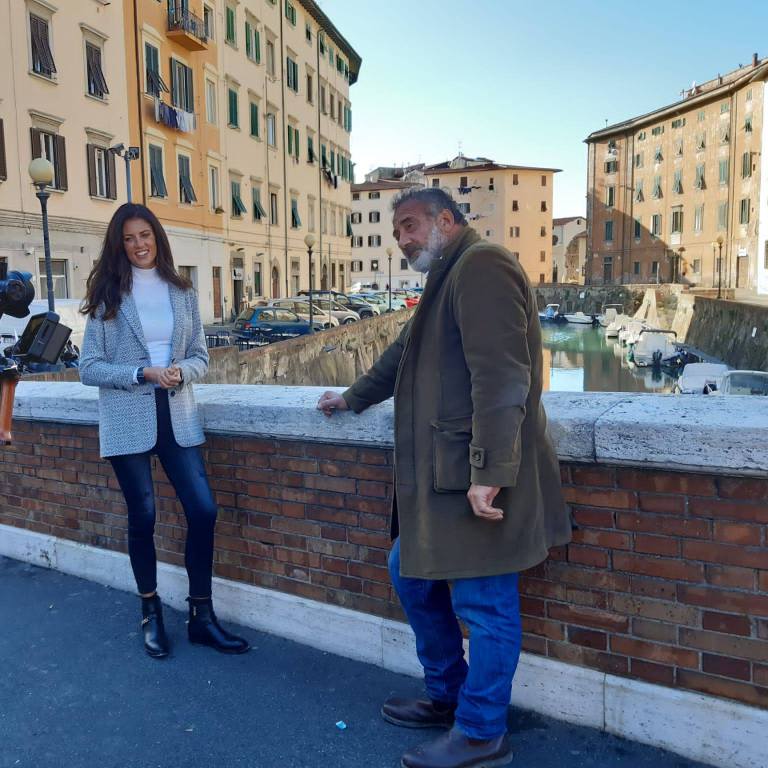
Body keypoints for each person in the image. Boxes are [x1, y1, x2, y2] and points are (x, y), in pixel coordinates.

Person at [317, 187, 571, 768]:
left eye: (410, 226)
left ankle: (481, 732)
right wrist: (353, 398)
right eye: (397, 232)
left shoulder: (482, 266)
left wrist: (491, 472)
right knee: (407, 571)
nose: (402, 240)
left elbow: (504, 377)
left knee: (485, 603)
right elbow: (401, 355)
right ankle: (449, 695)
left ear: (447, 220)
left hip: (476, 476)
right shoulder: (446, 276)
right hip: (447, 477)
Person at [80, 203, 249, 659]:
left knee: (203, 510)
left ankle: (201, 616)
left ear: (157, 237)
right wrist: (143, 373)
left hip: (177, 411)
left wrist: (179, 372)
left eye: (145, 235)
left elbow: (200, 356)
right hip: (128, 413)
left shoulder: (182, 291)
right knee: (144, 515)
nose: (139, 245)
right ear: (119, 245)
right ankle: (150, 610)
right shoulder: (108, 296)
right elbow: (89, 367)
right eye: (129, 238)